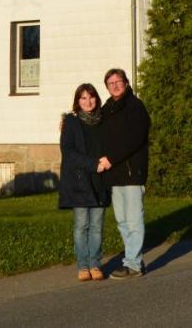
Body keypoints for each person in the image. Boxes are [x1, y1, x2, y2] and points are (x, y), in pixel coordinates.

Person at [98, 67, 150, 279]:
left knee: (134, 218)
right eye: (111, 83)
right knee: (122, 220)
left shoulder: (134, 106)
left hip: (131, 171)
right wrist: (70, 120)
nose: (115, 86)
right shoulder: (108, 107)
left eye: (118, 81)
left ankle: (134, 264)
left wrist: (111, 158)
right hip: (115, 174)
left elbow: (135, 139)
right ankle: (133, 258)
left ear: (126, 83)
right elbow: (96, 129)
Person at [59, 83, 110, 281]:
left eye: (91, 97)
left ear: (96, 98)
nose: (88, 101)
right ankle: (82, 266)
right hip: (80, 180)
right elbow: (68, 151)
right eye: (83, 98)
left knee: (97, 225)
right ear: (77, 102)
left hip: (100, 179)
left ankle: (95, 264)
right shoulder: (71, 123)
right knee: (81, 225)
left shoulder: (103, 120)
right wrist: (92, 164)